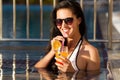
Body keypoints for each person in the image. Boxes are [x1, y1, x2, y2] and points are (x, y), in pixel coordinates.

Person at [34, 0, 100, 73]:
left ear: (79, 20)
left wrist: (72, 72)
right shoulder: (59, 45)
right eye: (59, 21)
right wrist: (53, 51)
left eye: (68, 20)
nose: (63, 26)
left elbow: (93, 77)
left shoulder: (91, 52)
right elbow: (37, 69)